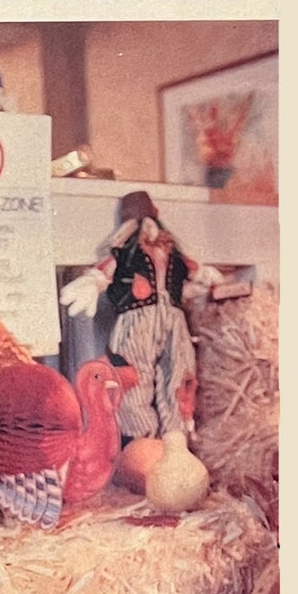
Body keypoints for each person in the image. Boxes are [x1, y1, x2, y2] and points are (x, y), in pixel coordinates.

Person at [58, 189, 223, 441]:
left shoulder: (173, 253)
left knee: (180, 371)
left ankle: (176, 437)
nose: (146, 224)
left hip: (174, 319)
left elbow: (194, 271)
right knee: (133, 375)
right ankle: (140, 438)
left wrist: (209, 279)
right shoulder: (125, 252)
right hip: (137, 319)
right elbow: (105, 271)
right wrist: (92, 282)